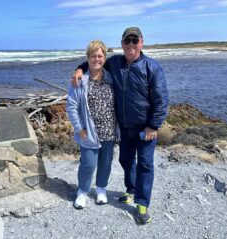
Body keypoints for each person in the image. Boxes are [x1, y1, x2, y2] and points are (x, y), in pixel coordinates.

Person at [72, 27, 168, 224]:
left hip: (145, 129)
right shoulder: (115, 63)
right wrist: (79, 69)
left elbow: (161, 100)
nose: (131, 44)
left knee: (145, 164)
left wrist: (154, 125)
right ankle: (131, 190)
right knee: (125, 161)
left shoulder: (152, 67)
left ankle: (142, 203)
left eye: (135, 40)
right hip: (124, 127)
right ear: (122, 43)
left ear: (141, 42)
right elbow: (94, 62)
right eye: (127, 41)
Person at [66, 40, 117, 209]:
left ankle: (101, 189)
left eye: (100, 55)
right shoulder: (80, 81)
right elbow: (71, 106)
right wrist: (79, 128)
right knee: (88, 163)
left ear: (105, 57)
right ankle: (82, 191)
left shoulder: (111, 77)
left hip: (109, 129)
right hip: (88, 131)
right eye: (93, 56)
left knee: (106, 163)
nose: (97, 59)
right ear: (88, 58)